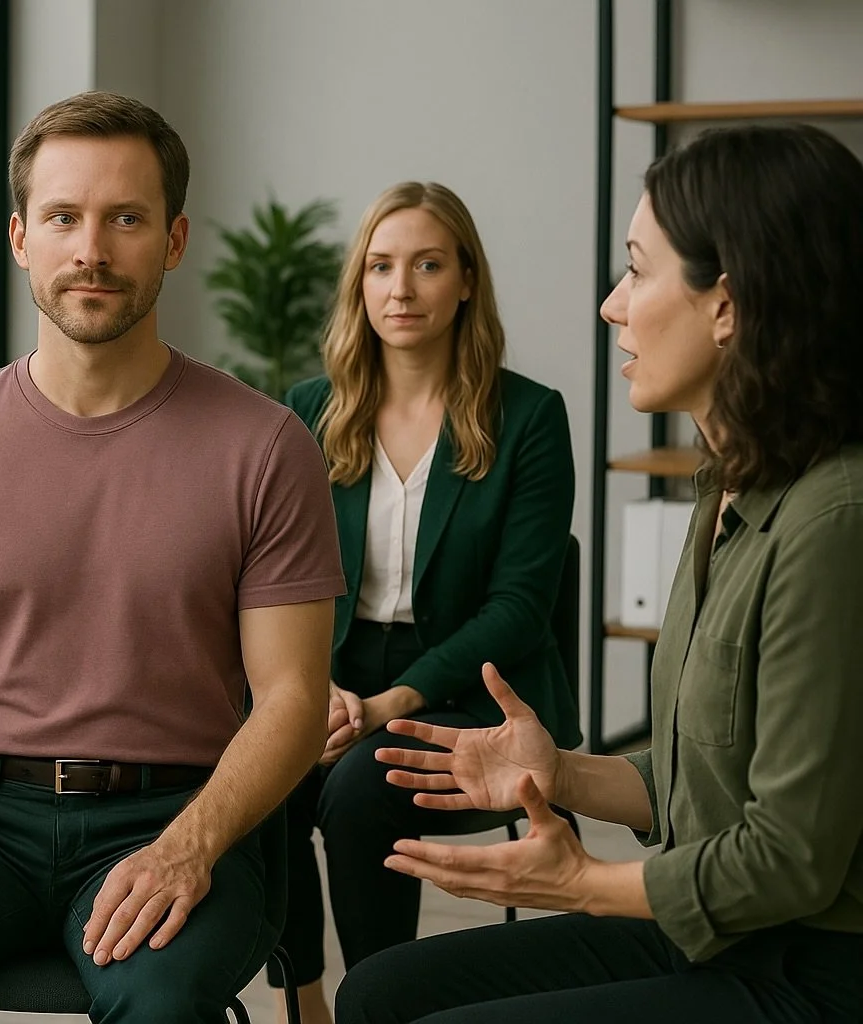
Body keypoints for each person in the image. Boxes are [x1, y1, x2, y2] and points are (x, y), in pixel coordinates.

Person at [0, 90, 344, 1023]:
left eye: (126, 217)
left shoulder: (266, 446)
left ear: (173, 239)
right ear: (20, 238)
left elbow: (291, 696)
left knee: (156, 1005)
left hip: (176, 815)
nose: (92, 248)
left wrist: (190, 846)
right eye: (64, 217)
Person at [337, 123, 863, 1024]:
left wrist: (585, 883)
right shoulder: (729, 491)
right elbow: (700, 777)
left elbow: (787, 858)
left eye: (638, 270)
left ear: (727, 305)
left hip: (807, 967)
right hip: (717, 931)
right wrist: (563, 773)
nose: (612, 305)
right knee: (378, 994)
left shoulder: (832, 522)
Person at [270, 181, 579, 1024]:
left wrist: (389, 704)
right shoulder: (308, 413)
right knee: (268, 773)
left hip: (479, 684)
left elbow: (521, 606)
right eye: (380, 267)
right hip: (335, 667)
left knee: (363, 790)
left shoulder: (529, 418)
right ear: (359, 285)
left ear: (467, 280)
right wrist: (316, 689)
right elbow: (270, 582)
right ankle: (307, 1003)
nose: (400, 289)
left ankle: (384, 1005)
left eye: (428, 265)